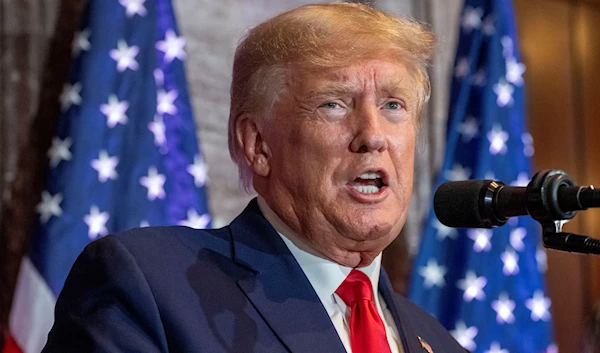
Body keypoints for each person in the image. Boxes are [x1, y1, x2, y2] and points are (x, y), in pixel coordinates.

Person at [43, 3, 467, 352]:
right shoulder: (149, 287)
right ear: (257, 144)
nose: (373, 135)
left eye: (393, 105)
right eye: (333, 104)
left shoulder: (441, 343)